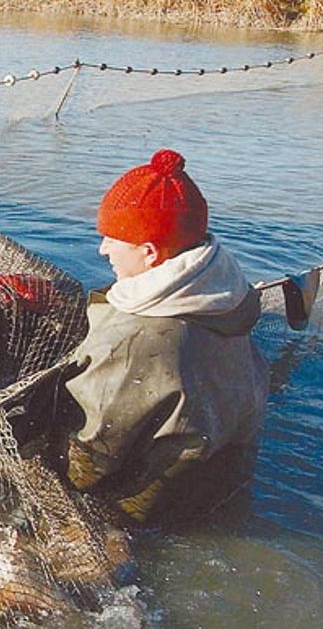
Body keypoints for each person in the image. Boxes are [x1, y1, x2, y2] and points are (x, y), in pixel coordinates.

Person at [47, 148, 270, 527]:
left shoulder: (139, 336)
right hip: (226, 482)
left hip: (147, 508)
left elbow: (92, 461)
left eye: (112, 240)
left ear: (150, 253)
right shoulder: (226, 295)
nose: (102, 250)